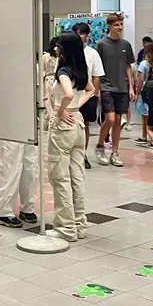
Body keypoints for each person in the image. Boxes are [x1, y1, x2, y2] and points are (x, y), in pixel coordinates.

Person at [47, 32, 94, 241]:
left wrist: (59, 111)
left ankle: (65, 228)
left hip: (63, 127)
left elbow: (67, 94)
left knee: (60, 177)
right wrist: (75, 108)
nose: (55, 49)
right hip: (77, 123)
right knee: (77, 176)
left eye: (58, 46)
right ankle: (79, 224)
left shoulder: (63, 71)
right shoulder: (80, 69)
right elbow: (91, 90)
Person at [95, 13, 135, 167]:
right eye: (116, 25)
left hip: (122, 87)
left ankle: (115, 152)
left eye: (121, 24)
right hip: (106, 86)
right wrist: (97, 89)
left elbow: (128, 66)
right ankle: (100, 146)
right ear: (109, 26)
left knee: (118, 120)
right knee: (110, 119)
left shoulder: (125, 45)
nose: (119, 27)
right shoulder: (101, 44)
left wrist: (131, 87)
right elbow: (97, 68)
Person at [73, 22, 105, 170]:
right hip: (71, 94)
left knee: (84, 124)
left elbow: (97, 76)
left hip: (87, 94)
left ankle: (82, 154)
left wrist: (95, 93)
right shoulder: (68, 52)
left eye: (81, 34)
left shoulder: (92, 53)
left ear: (86, 35)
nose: (79, 37)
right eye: (76, 33)